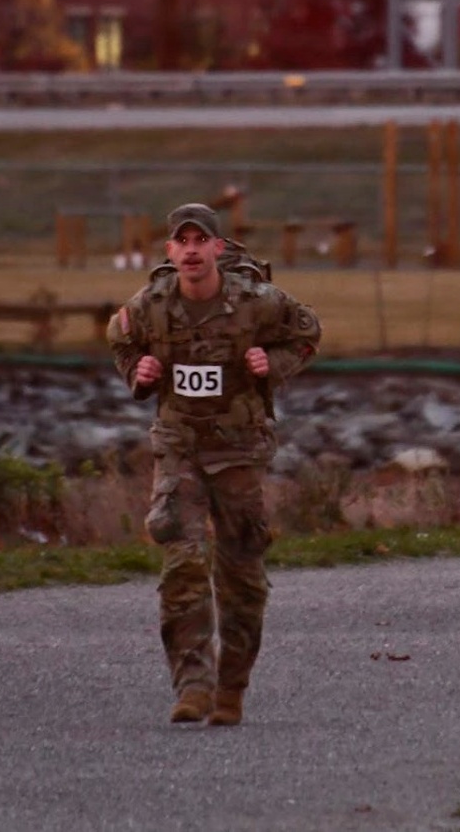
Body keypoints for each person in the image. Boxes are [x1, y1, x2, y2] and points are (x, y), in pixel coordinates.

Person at [107, 202, 321, 726]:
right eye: (183, 241)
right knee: (182, 563)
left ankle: (231, 688)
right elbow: (119, 340)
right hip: (179, 446)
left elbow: (308, 332)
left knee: (241, 571)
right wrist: (141, 371)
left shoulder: (257, 302)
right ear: (170, 252)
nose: (193, 250)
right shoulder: (150, 306)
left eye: (201, 240)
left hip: (240, 450)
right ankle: (193, 685)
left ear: (218, 249)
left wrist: (273, 367)